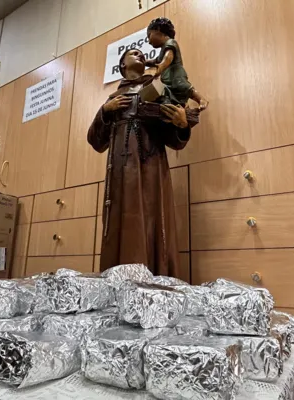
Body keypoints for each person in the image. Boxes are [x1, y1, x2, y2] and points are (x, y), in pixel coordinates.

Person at [88, 48, 191, 277]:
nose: (141, 54)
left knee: (153, 219)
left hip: (151, 169)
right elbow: (95, 141)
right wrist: (105, 112)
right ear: (122, 66)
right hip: (120, 174)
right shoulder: (113, 99)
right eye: (133, 52)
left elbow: (174, 140)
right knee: (121, 223)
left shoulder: (158, 89)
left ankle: (155, 284)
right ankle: (119, 284)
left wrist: (182, 124)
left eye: (142, 53)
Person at [145, 17, 209, 110]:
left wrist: (162, 65)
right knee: (169, 92)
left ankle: (201, 99)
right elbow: (155, 61)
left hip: (175, 74)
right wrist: (144, 62)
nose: (149, 41)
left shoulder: (170, 42)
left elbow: (169, 56)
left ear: (157, 30)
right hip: (167, 77)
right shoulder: (162, 50)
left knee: (181, 86)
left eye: (149, 36)